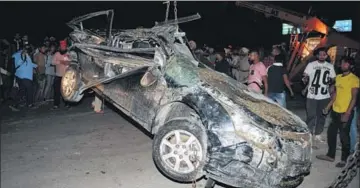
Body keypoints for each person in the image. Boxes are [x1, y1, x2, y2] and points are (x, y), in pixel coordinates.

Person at [316, 57, 359, 168]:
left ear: (350, 66)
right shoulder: (339, 77)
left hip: (345, 112)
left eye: (345, 63)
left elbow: (354, 98)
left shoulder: (354, 79)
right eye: (342, 63)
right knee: (331, 134)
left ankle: (345, 159)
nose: (343, 65)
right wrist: (328, 107)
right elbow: (335, 94)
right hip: (335, 111)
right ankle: (330, 155)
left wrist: (348, 113)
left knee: (344, 137)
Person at [302, 47, 336, 145]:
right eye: (320, 54)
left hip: (324, 95)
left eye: (324, 54)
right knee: (311, 115)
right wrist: (305, 79)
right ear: (317, 55)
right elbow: (305, 75)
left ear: (326, 55)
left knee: (322, 116)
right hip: (312, 95)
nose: (321, 56)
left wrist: (331, 84)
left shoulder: (330, 66)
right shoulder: (311, 65)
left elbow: (333, 78)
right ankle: (308, 135)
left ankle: (318, 134)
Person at [9, 45, 37, 110]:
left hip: (23, 76)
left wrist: (36, 66)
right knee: (30, 89)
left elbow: (29, 63)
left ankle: (15, 104)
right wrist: (24, 55)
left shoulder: (25, 55)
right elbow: (19, 63)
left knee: (22, 90)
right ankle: (30, 104)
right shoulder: (18, 55)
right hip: (24, 76)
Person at [52, 40, 71, 109]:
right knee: (56, 90)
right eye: (62, 47)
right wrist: (60, 61)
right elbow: (53, 62)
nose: (63, 48)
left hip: (66, 75)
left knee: (66, 91)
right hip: (58, 75)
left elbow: (73, 62)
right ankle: (56, 104)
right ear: (60, 47)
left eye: (64, 47)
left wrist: (68, 63)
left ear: (66, 47)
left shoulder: (69, 54)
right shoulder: (57, 54)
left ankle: (67, 104)